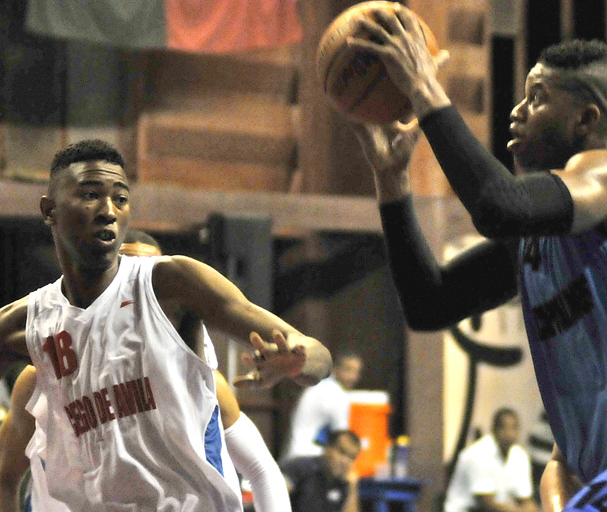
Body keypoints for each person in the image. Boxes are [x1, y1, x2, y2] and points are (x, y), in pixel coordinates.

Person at [346, 15, 607, 511]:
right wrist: (392, 184)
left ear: (586, 120)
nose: (518, 111)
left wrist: (423, 88)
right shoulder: (534, 241)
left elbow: (498, 205)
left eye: (538, 97)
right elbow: (428, 304)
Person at [0, 139, 332, 510]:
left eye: (121, 199)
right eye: (91, 195)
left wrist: (301, 361)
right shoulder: (27, 322)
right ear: (49, 210)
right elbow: (5, 477)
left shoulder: (171, 283)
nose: (109, 210)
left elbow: (316, 355)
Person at [445, 407, 538, 512]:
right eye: (504, 428)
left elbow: (524, 498)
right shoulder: (478, 454)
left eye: (514, 428)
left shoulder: (520, 456)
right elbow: (486, 502)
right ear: (493, 430)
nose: (510, 434)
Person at [284, 349, 362, 460]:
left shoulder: (318, 386)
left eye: (356, 372)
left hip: (292, 456)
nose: (353, 377)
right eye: (348, 370)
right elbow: (343, 439)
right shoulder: (337, 394)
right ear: (336, 369)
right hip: (310, 459)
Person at [280, 429, 361, 512]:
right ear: (327, 448)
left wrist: (352, 489)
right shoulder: (299, 467)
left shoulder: (345, 484)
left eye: (351, 457)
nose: (345, 461)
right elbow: (275, 498)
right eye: (342, 452)